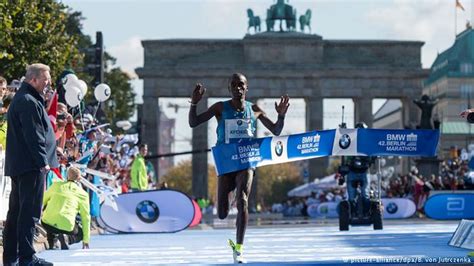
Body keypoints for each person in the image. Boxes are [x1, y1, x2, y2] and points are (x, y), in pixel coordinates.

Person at [188, 73, 289, 263]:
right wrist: (194, 104)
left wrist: (281, 115)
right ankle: (229, 194)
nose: (238, 88)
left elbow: (276, 130)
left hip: (246, 160)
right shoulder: (220, 107)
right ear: (229, 89)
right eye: (234, 85)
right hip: (226, 161)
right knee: (222, 213)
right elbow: (194, 123)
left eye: (241, 84)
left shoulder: (255, 109)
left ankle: (239, 248)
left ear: (246, 87)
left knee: (243, 200)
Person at [3, 63, 58, 266]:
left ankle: (11, 258)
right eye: (45, 80)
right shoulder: (28, 101)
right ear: (33, 79)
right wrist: (42, 161)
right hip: (31, 166)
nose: (48, 84)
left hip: (22, 165)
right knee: (29, 214)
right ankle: (26, 258)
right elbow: (33, 136)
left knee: (17, 213)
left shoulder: (26, 98)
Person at [41, 166, 91, 250]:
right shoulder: (83, 194)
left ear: (67, 176)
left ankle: (52, 241)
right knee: (80, 233)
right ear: (79, 179)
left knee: (50, 212)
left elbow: (43, 200)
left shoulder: (56, 185)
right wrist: (86, 240)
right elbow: (85, 217)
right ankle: (67, 238)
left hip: (47, 223)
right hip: (66, 225)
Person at [338, 122, 375, 217]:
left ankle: (367, 212)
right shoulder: (351, 141)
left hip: (364, 171)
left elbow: (374, 153)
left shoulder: (369, 143)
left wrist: (373, 158)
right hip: (352, 171)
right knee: (351, 196)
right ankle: (352, 212)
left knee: (365, 195)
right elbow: (344, 140)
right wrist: (343, 130)